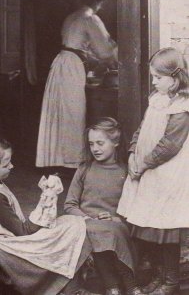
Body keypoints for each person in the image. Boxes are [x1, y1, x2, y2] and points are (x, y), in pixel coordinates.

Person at [117, 47, 189, 295]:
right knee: (151, 226)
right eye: (153, 77)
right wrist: (131, 154)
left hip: (168, 176)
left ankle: (171, 282)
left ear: (176, 78)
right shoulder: (157, 100)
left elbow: (169, 145)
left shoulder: (182, 107)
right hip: (149, 172)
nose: (154, 81)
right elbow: (142, 128)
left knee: (165, 228)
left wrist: (144, 164)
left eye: (158, 77)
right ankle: (158, 276)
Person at [36, 0, 117, 171]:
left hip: (60, 63)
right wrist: (114, 56)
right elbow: (105, 51)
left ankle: (57, 159)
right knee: (74, 113)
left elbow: (82, 47)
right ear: (99, 2)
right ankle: (72, 162)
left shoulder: (72, 17)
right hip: (71, 67)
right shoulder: (90, 18)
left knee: (60, 113)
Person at [0, 139, 90, 295]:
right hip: (10, 245)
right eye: (6, 164)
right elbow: (24, 231)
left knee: (70, 223)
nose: (11, 166)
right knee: (72, 228)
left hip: (13, 237)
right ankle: (70, 289)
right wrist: (47, 198)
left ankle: (72, 288)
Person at [64, 117, 139, 295]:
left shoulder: (125, 172)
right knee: (97, 231)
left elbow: (133, 209)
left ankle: (117, 287)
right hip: (85, 224)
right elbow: (69, 204)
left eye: (100, 143)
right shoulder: (84, 168)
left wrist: (115, 218)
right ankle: (125, 287)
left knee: (109, 231)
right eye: (91, 144)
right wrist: (86, 218)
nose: (95, 148)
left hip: (115, 226)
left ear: (115, 142)